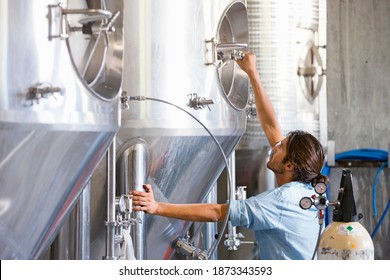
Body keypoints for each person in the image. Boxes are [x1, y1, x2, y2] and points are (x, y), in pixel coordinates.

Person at [131, 52, 328, 260]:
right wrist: (252, 73)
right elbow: (271, 126)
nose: (274, 147)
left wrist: (157, 206)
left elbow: (217, 212)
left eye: (281, 147)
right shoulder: (305, 189)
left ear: (290, 165)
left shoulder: (279, 202)